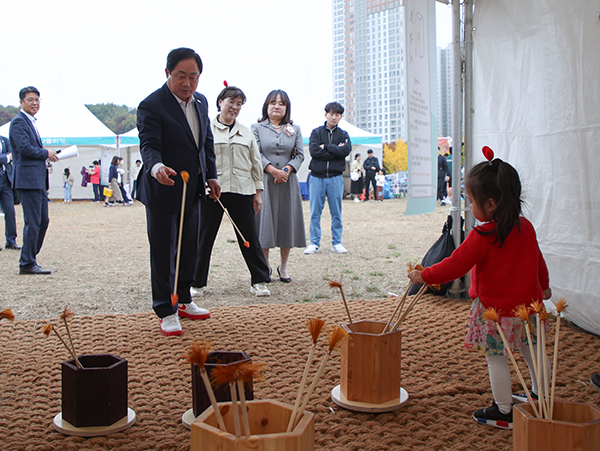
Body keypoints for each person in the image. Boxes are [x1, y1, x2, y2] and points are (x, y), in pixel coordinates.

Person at [408, 147, 551, 430]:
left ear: (491, 205)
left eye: (470, 201)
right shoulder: (526, 228)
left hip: (496, 315)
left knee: (496, 358)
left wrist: (425, 275)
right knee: (533, 352)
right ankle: (540, 396)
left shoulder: (483, 235)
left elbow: (455, 264)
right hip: (530, 310)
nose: (470, 207)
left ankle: (503, 411)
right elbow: (538, 260)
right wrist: (544, 287)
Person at [137, 47, 220, 337]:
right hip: (162, 188)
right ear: (168, 74)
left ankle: (183, 300)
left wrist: (211, 176)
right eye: (181, 76)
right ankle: (166, 309)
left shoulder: (201, 102)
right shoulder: (152, 105)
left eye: (193, 77)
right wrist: (156, 166)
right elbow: (148, 144)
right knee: (163, 251)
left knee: (188, 248)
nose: (187, 83)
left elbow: (205, 143)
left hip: (193, 189)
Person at [192, 85, 270, 297]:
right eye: (231, 102)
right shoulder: (205, 128)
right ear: (220, 102)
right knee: (203, 236)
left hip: (241, 189)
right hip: (213, 190)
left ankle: (260, 280)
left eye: (239, 104)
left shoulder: (246, 132)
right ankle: (196, 282)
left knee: (249, 236)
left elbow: (255, 163)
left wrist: (258, 192)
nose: (234, 107)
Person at [251, 90, 305, 282]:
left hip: (288, 182)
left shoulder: (294, 129)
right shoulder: (256, 128)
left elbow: (299, 155)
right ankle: (265, 266)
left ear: (286, 108)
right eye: (273, 102)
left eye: (281, 103)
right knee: (265, 223)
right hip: (265, 182)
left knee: (286, 222)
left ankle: (283, 266)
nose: (277, 106)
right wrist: (273, 171)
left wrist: (287, 170)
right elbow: (256, 153)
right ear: (266, 106)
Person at [9, 86, 59, 274]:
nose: (34, 103)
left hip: (37, 179)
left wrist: (45, 154)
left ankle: (30, 257)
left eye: (37, 100)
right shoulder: (19, 122)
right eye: (30, 100)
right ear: (21, 102)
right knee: (33, 221)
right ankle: (27, 263)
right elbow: (24, 149)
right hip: (27, 180)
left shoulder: (30, 123)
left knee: (43, 221)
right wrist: (45, 152)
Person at [305, 102, 352, 255]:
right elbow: (314, 151)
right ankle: (314, 242)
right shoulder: (316, 132)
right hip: (317, 176)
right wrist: (335, 150)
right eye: (331, 114)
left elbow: (345, 151)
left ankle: (337, 242)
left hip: (336, 177)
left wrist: (327, 147)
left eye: (337, 115)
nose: (334, 117)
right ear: (325, 114)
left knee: (336, 211)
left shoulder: (343, 134)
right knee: (315, 211)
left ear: (341, 117)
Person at [0, 135, 20, 250]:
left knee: (10, 212)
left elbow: (13, 155)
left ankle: (11, 240)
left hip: (6, 180)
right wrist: (6, 158)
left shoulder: (5, 140)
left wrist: (7, 157)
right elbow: (9, 157)